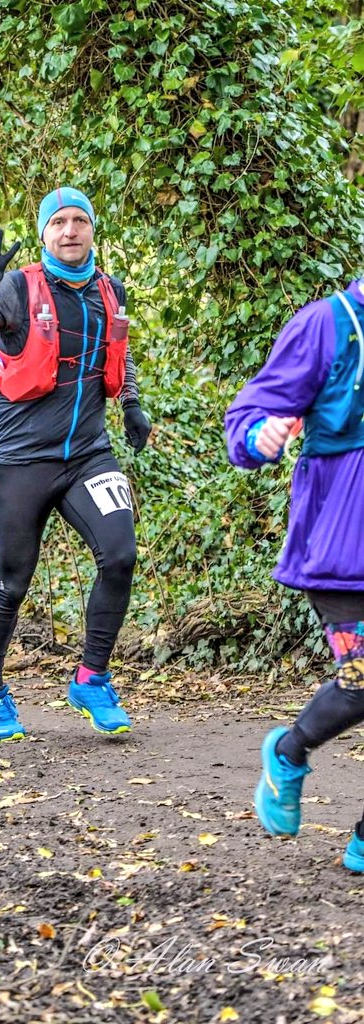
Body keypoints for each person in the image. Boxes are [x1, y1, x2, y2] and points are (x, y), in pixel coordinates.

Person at [0, 186, 151, 742]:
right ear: (44, 232)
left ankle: (92, 678)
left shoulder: (110, 289)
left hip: (88, 455)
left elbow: (117, 359)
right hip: (21, 459)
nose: (71, 231)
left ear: (93, 230)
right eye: (60, 222)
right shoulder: (14, 287)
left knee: (120, 555)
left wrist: (132, 406)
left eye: (81, 220)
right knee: (11, 583)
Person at [225, 279, 364, 872]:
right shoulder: (325, 325)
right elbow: (247, 415)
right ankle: (288, 751)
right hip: (340, 549)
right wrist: (262, 434)